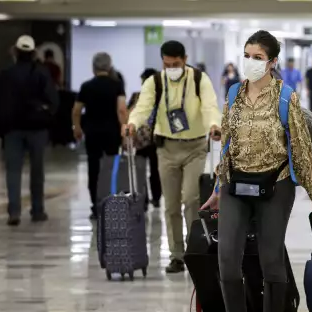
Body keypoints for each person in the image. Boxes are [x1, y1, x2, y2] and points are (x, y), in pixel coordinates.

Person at [200, 30, 312, 312]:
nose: (250, 62)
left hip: (276, 185)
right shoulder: (233, 94)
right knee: (228, 263)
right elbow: (227, 145)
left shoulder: (287, 98)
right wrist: (219, 189)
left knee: (271, 262)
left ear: (271, 62)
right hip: (235, 185)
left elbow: (301, 149)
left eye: (257, 58)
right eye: (246, 56)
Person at [123, 40, 221, 273]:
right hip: (165, 149)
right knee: (171, 205)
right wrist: (132, 124)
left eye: (176, 63)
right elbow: (142, 107)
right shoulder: (155, 82)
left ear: (185, 59)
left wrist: (214, 125)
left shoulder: (199, 79)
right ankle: (176, 255)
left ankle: (194, 250)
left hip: (195, 148)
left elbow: (209, 106)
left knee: (191, 199)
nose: (171, 68)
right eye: (167, 64)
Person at [0, 35, 58, 226]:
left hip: (13, 129)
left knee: (13, 171)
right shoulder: (41, 73)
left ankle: (14, 211)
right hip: (37, 130)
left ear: (15, 51)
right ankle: (37, 210)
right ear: (33, 53)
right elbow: (53, 101)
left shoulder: (6, 74)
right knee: (37, 171)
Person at [71, 52, 127, 220]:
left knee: (93, 168)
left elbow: (76, 110)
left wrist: (77, 127)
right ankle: (110, 203)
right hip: (112, 133)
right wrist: (124, 130)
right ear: (109, 67)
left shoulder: (86, 86)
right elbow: (122, 110)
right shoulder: (117, 85)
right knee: (111, 168)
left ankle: (95, 207)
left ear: (93, 68)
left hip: (93, 132)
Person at [128, 68, 162, 209]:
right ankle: (145, 199)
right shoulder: (137, 96)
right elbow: (129, 115)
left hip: (154, 139)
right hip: (141, 140)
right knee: (143, 171)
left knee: (154, 171)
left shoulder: (161, 97)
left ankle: (155, 198)